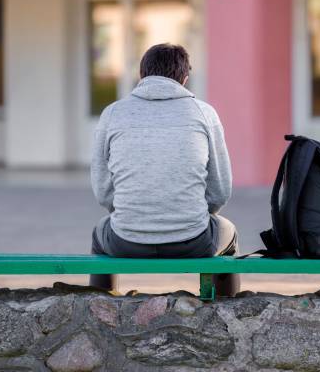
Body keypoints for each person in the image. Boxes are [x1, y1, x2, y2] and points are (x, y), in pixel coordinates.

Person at [89, 43, 240, 297]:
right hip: (193, 241)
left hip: (126, 241)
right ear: (184, 78)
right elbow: (220, 191)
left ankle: (102, 310)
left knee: (99, 234)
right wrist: (190, 215)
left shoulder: (112, 113)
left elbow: (103, 191)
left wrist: (134, 214)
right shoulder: (203, 113)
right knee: (230, 234)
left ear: (142, 75)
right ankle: (225, 310)